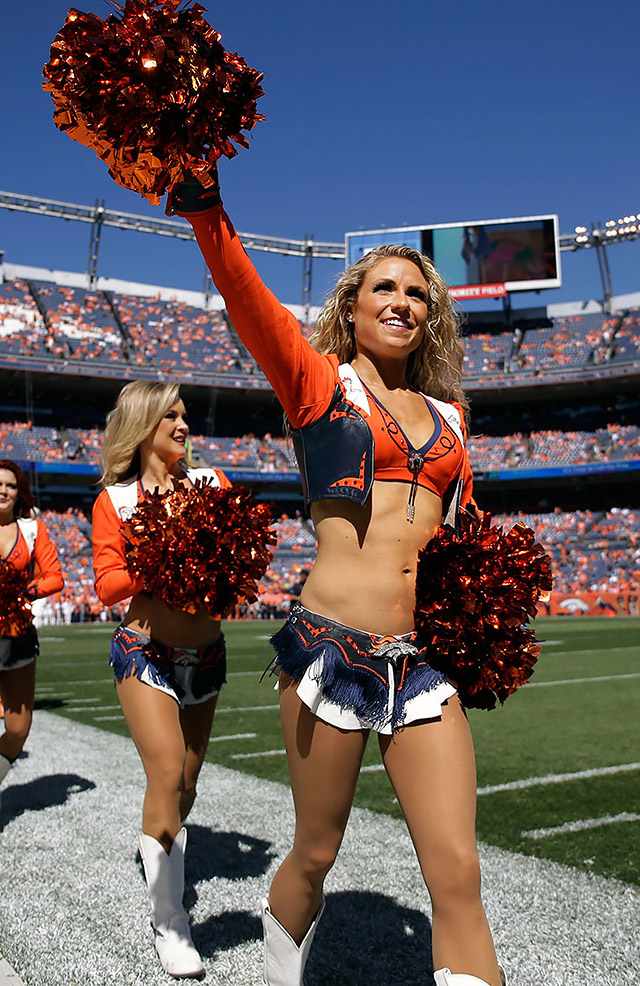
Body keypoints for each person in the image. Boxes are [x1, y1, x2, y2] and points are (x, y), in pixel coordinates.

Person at [167, 177, 507, 986]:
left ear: (432, 314)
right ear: (351, 308)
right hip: (330, 651)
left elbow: (466, 533)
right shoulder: (320, 384)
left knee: (458, 872)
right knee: (317, 852)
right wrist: (206, 210)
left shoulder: (454, 415)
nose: (402, 302)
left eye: (417, 294)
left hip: (421, 664)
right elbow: (247, 300)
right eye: (383, 288)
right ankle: (283, 962)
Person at [92, 380, 231, 979]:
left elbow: (236, 562)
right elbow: (106, 585)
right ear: (142, 426)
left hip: (206, 652)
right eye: (169, 415)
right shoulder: (115, 502)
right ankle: (171, 922)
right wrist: (159, 554)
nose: (182, 425)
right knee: (168, 768)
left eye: (184, 415)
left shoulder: (212, 485)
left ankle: (157, 843)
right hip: (143, 649)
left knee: (188, 783)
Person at [0, 460, 64, 790]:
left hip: (18, 634)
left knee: (18, 727)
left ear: (19, 491)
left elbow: (55, 578)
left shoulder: (32, 529)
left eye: (11, 485)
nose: (4, 490)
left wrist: (22, 591)